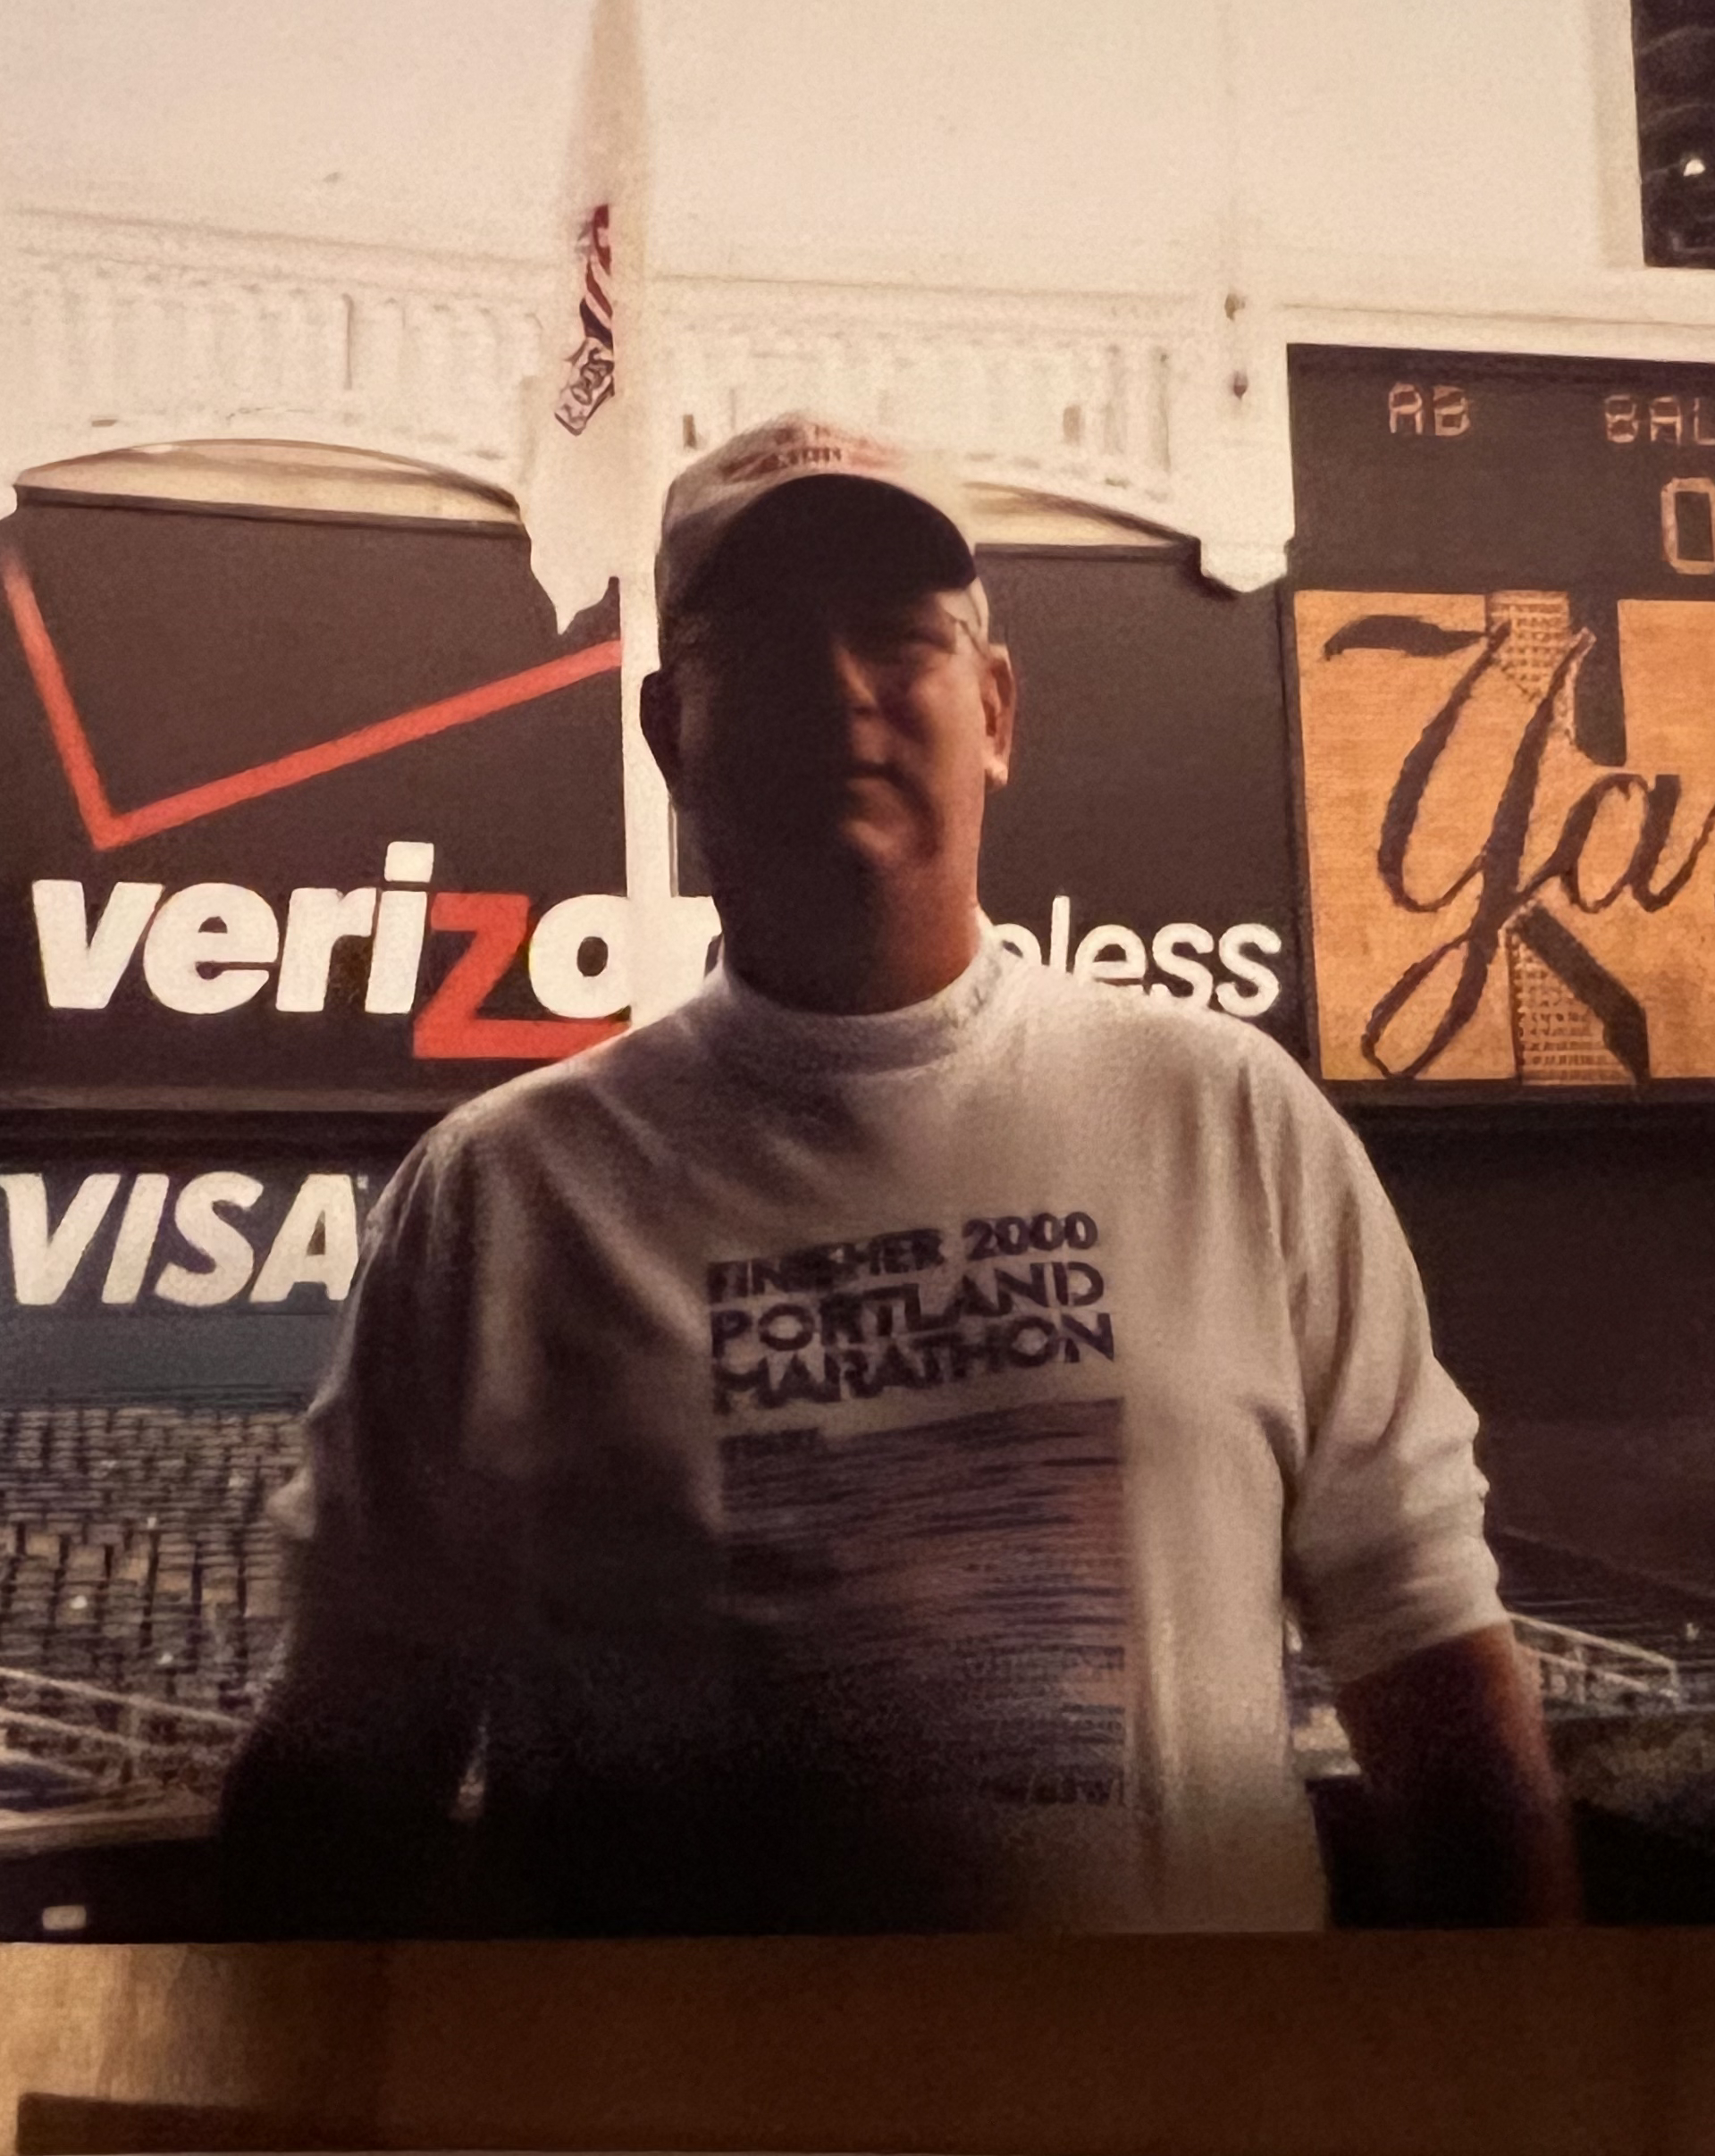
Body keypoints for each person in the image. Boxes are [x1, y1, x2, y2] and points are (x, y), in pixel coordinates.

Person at [221, 413, 1576, 1936]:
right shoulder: (504, 1196)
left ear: (993, 705)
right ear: (672, 733)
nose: (840, 689)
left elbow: (1430, 1651)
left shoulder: (1227, 1117)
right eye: (765, 643)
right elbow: (346, 1761)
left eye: (896, 634)